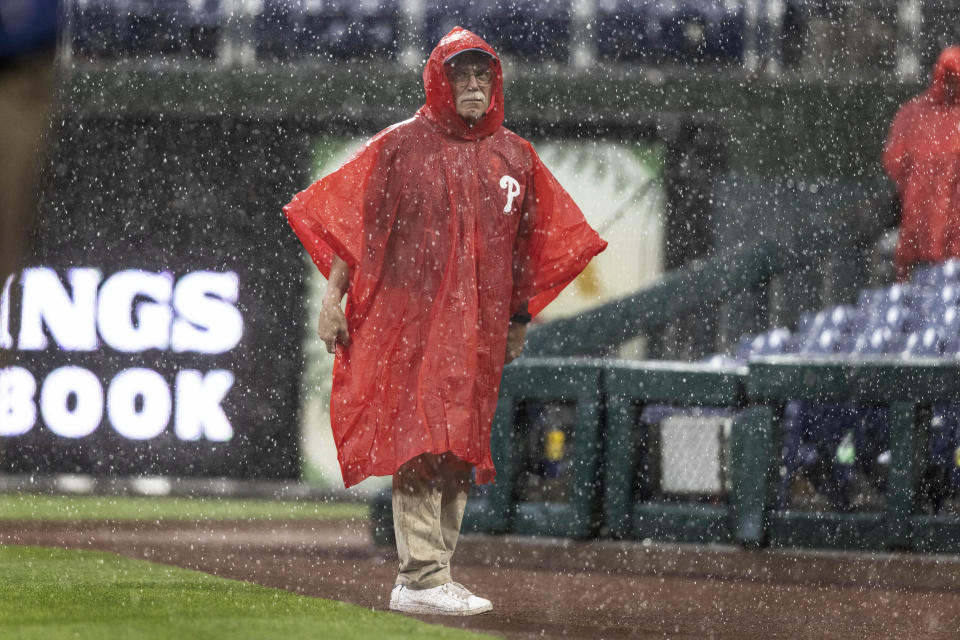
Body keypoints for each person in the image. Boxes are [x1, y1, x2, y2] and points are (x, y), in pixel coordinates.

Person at [284, 27, 606, 616]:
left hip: (478, 330)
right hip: (410, 323)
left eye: (484, 75)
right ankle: (421, 576)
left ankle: (436, 573)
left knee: (459, 447)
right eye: (463, 75)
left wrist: (515, 320)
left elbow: (528, 250)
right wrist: (332, 300)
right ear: (439, 81)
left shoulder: (516, 156)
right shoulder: (398, 147)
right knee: (422, 439)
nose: (475, 85)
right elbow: (354, 229)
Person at [883, 45, 960, 281]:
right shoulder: (914, 114)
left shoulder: (913, 114)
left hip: (921, 232)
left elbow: (894, 163)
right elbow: (894, 162)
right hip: (930, 235)